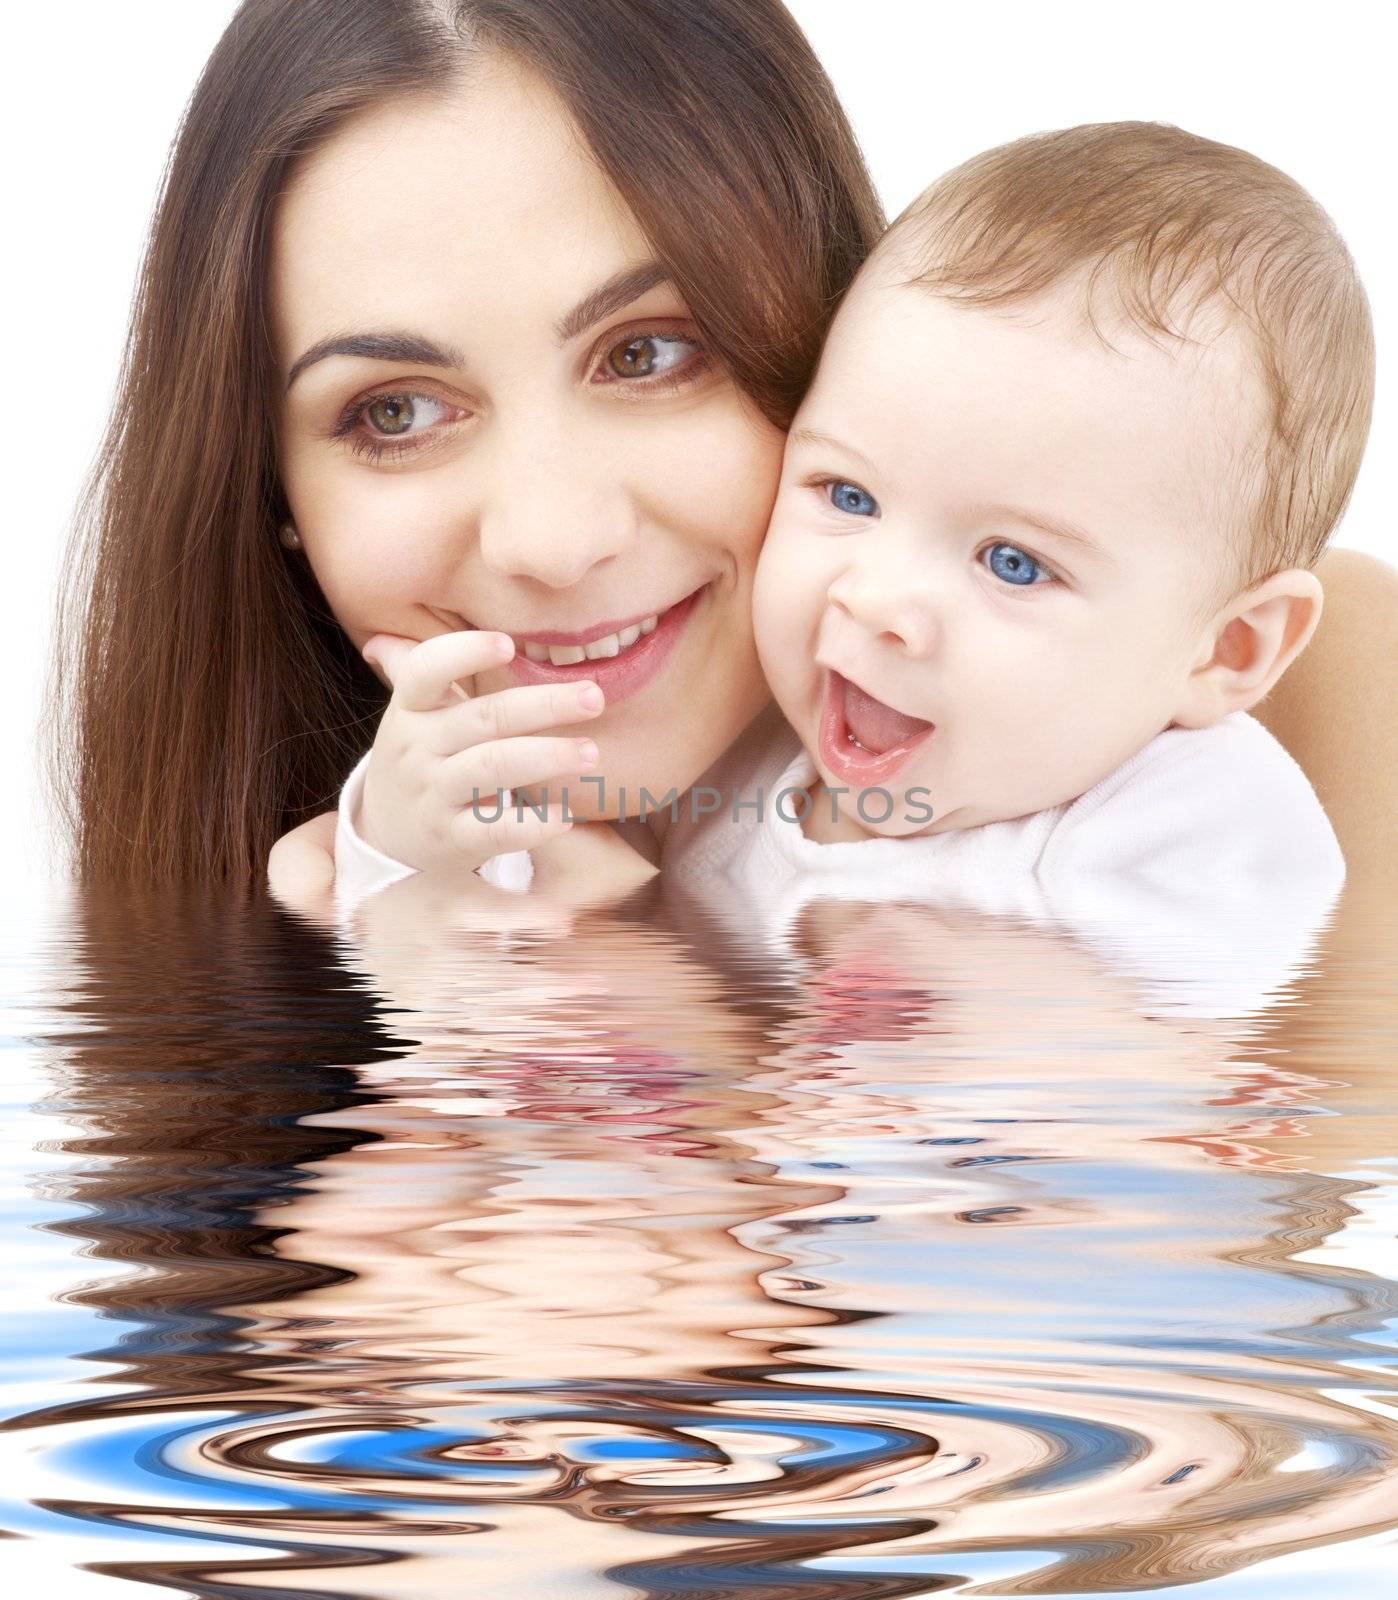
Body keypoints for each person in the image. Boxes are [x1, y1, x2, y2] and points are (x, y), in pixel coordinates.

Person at [41, 2, 1394, 896]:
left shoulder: (1294, 702)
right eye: (392, 413)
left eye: (647, 351)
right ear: (270, 496)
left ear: (813, 325)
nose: (554, 541)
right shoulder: (325, 886)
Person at [323, 121, 1366, 933]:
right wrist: (395, 836)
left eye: (1013, 562)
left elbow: (1228, 1083)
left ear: (1227, 648)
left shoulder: (1190, 824)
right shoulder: (742, 759)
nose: (872, 600)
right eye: (848, 497)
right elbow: (511, 881)